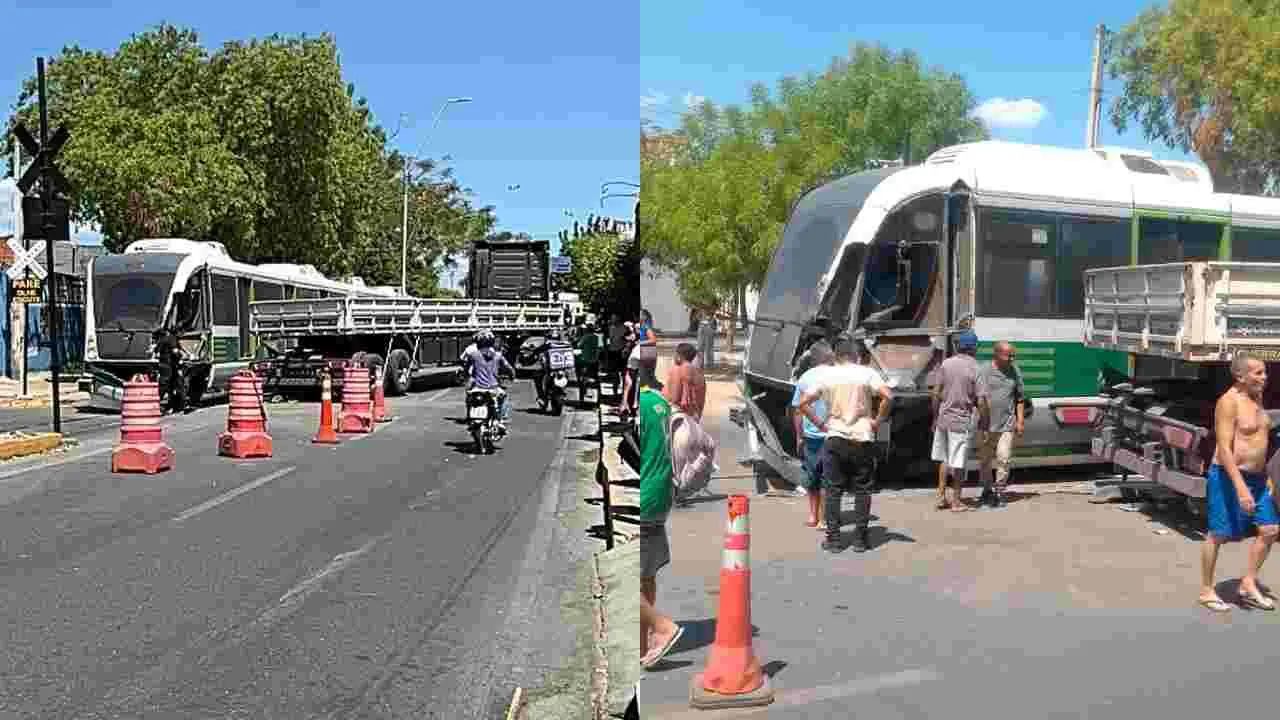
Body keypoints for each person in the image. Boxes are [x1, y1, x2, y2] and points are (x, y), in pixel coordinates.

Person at [798, 335, 893, 553]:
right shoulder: (866, 373)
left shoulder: (828, 375)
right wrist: (876, 421)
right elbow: (888, 396)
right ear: (856, 356)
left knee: (833, 490)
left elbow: (803, 403)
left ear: (836, 356)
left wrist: (821, 424)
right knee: (862, 489)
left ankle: (833, 540)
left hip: (835, 437)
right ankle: (860, 540)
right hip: (862, 438)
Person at [1200, 352, 1279, 612]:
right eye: (1258, 373)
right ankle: (1207, 590)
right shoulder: (1228, 402)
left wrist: (1266, 475)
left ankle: (1247, 581)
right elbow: (1224, 448)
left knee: (1269, 530)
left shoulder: (1256, 397)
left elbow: (1259, 441)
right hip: (1228, 475)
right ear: (1239, 375)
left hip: (1257, 478)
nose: (1264, 377)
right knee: (1218, 534)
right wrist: (1240, 487)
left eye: (1264, 372)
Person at [639, 380, 684, 668]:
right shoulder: (657, 402)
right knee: (646, 573)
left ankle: (662, 627)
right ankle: (643, 645)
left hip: (644, 494)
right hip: (661, 492)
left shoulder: (639, 405)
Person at [932, 331, 980, 511]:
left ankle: (941, 496)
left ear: (958, 346)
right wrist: (984, 422)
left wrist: (935, 417)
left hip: (943, 419)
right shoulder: (975, 368)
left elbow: (935, 393)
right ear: (974, 348)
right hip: (961, 421)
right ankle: (956, 501)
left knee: (944, 459)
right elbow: (982, 400)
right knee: (959, 462)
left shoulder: (946, 363)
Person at [791, 340, 835, 529]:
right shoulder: (838, 376)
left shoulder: (804, 378)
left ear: (814, 358)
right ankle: (824, 519)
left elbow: (797, 411)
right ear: (830, 356)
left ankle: (812, 516)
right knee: (828, 478)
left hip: (811, 436)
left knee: (811, 477)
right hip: (832, 434)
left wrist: (799, 436)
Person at [976, 340, 1025, 508]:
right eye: (1009, 355)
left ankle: (1000, 491)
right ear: (996, 354)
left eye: (1013, 355)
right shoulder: (983, 370)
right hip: (985, 424)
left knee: (1004, 458)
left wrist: (1019, 421)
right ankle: (986, 489)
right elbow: (976, 396)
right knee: (984, 460)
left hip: (1007, 423)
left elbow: (1020, 398)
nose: (1012, 358)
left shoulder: (1015, 371)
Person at [463, 330, 515, 427]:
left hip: (477, 387)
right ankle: (500, 419)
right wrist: (512, 376)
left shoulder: (473, 355)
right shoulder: (498, 355)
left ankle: (469, 416)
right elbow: (509, 368)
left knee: (469, 398)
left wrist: (466, 376)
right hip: (493, 388)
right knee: (503, 397)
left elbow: (466, 369)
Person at [663, 342, 706, 422]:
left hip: (680, 415)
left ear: (680, 356)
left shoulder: (678, 369)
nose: (674, 356)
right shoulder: (699, 373)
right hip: (694, 416)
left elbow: (674, 397)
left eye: (675, 354)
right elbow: (701, 400)